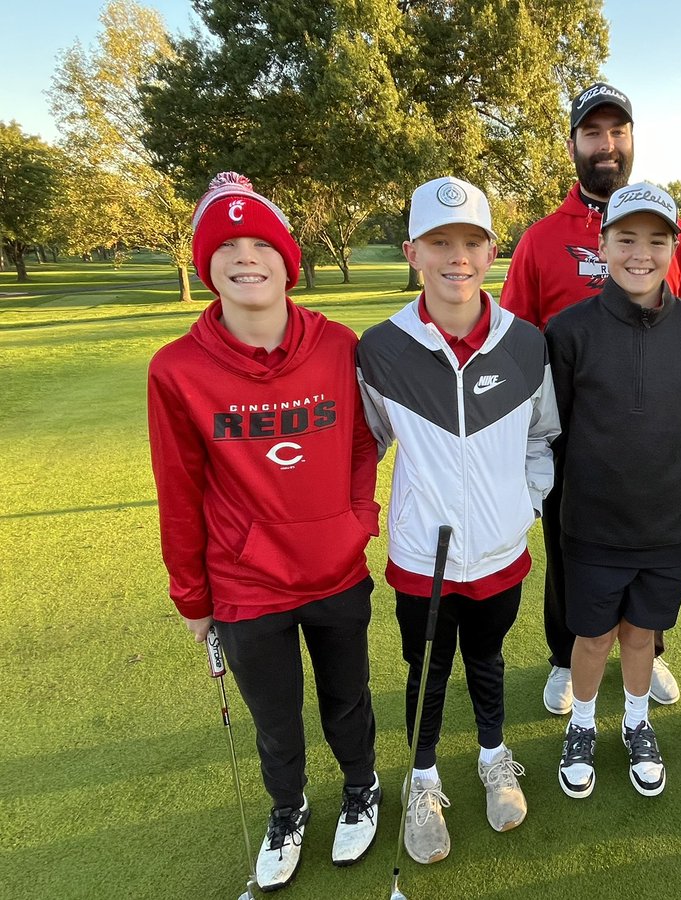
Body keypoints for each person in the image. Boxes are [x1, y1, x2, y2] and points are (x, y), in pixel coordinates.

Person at [148, 172, 382, 891]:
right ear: (204, 264)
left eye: (261, 244)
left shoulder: (340, 345)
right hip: (245, 584)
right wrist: (192, 598)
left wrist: (357, 520)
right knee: (275, 717)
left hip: (336, 567)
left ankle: (361, 788)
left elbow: (361, 446)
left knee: (349, 697)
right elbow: (178, 491)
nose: (246, 258)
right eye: (227, 246)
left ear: (288, 260)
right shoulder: (176, 370)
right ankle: (288, 809)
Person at [356, 177, 559, 864]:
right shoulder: (379, 350)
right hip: (422, 558)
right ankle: (422, 779)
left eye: (471, 241)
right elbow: (368, 442)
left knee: (489, 659)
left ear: (493, 250)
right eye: (440, 242)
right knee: (427, 668)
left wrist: (524, 503)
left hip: (501, 551)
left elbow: (541, 437)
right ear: (412, 251)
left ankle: (494, 758)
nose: (457, 256)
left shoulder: (527, 345)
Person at [502, 81, 681, 716]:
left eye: (617, 131)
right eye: (593, 132)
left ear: (631, 140)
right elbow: (515, 338)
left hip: (649, 435)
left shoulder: (665, 232)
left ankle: (645, 653)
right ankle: (565, 658)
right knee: (570, 556)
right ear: (573, 143)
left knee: (651, 550)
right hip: (569, 435)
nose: (606, 144)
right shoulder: (543, 238)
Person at [545, 182, 681, 799]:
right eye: (626, 239)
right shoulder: (567, 331)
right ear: (603, 245)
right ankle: (584, 725)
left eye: (656, 239)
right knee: (592, 636)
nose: (640, 253)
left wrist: (660, 467)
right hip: (591, 524)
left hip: (664, 525)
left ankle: (637, 723)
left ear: (675, 247)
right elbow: (557, 428)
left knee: (642, 634)